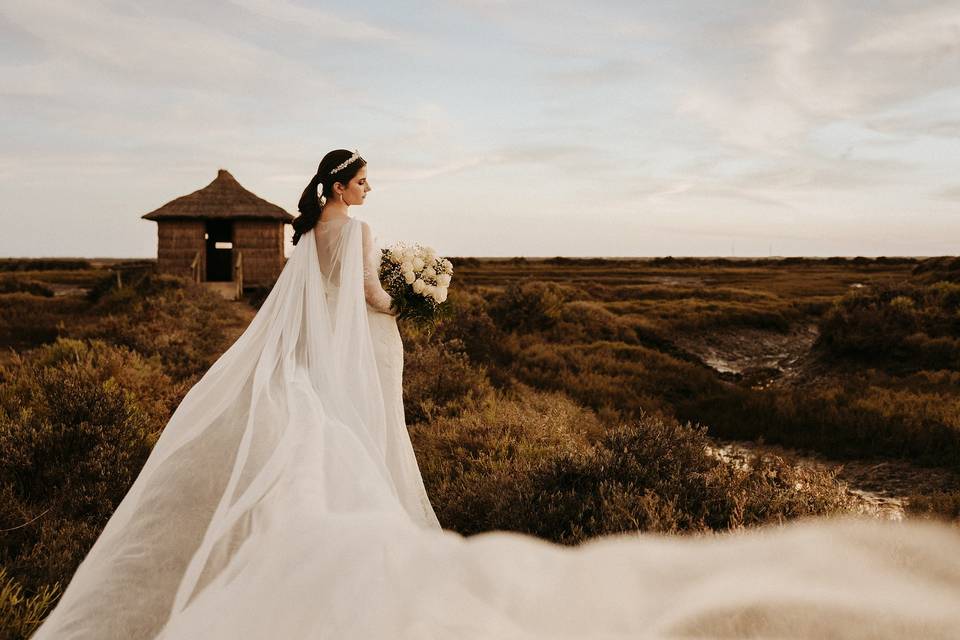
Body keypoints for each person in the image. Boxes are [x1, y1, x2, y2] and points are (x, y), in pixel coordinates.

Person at [33, 151, 960, 639]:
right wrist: (416, 291)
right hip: (365, 343)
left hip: (322, 356)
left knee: (321, 426)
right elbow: (361, 298)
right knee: (352, 447)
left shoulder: (308, 227)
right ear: (347, 183)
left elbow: (304, 302)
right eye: (366, 178)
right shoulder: (354, 228)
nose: (369, 188)